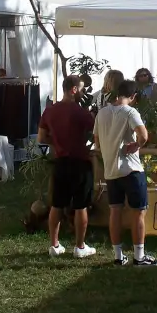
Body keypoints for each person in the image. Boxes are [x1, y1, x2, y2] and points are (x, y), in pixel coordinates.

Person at [93, 79, 157, 267]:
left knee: (114, 211)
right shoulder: (130, 111)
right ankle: (139, 256)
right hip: (131, 169)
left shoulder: (101, 113)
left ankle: (118, 255)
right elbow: (144, 135)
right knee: (139, 212)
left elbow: (96, 141)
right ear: (133, 97)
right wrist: (136, 144)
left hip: (110, 170)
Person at [37, 75, 96, 259]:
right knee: (81, 206)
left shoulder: (49, 112)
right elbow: (96, 134)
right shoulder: (81, 113)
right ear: (74, 89)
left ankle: (54, 245)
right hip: (80, 162)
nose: (84, 92)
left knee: (57, 204)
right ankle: (79, 247)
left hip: (60, 162)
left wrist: (56, 144)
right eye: (82, 88)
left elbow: (41, 138)